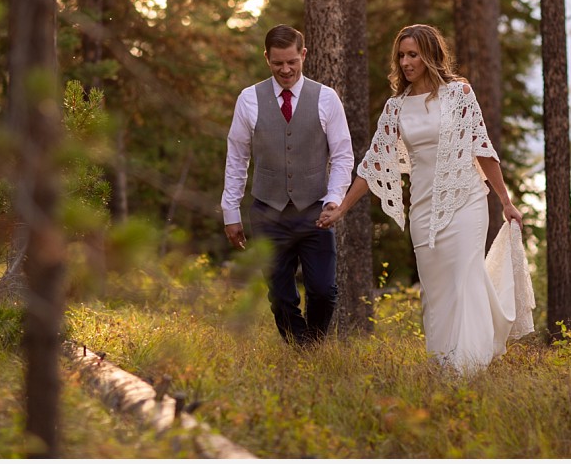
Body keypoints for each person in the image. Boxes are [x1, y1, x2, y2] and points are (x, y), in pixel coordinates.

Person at [317, 24, 533, 373]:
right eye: (401, 55)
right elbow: (373, 165)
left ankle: (466, 369)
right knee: (437, 292)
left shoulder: (460, 94)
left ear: (430, 55)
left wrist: (505, 201)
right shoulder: (396, 108)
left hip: (465, 201)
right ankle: (444, 362)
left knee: (464, 279)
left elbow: (483, 150)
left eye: (413, 54)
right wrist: (342, 206)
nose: (405, 62)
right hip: (422, 208)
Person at [222, 24, 354, 345]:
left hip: (315, 212)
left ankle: (312, 344)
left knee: (323, 290)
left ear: (303, 55)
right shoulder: (249, 99)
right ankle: (300, 348)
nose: (286, 70)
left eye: (292, 62)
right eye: (278, 63)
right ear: (267, 58)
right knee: (280, 297)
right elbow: (237, 158)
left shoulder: (326, 98)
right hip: (268, 213)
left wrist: (334, 199)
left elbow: (343, 156)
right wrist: (231, 212)